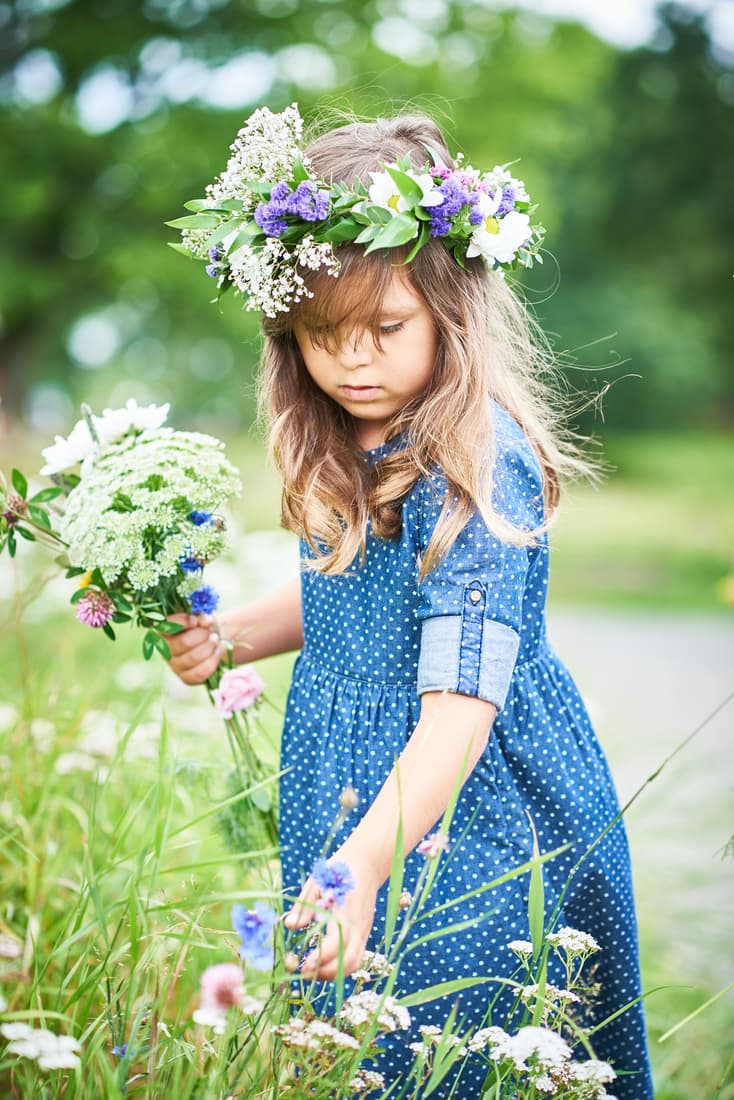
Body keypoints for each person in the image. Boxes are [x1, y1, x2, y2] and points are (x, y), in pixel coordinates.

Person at [167, 107, 653, 1098]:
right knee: (362, 1051)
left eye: (383, 329)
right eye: (317, 335)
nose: (350, 361)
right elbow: (356, 598)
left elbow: (455, 713)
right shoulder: (353, 438)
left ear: (448, 308)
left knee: (456, 1040)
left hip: (464, 803)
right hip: (353, 788)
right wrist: (231, 636)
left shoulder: (469, 470)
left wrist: (354, 877)